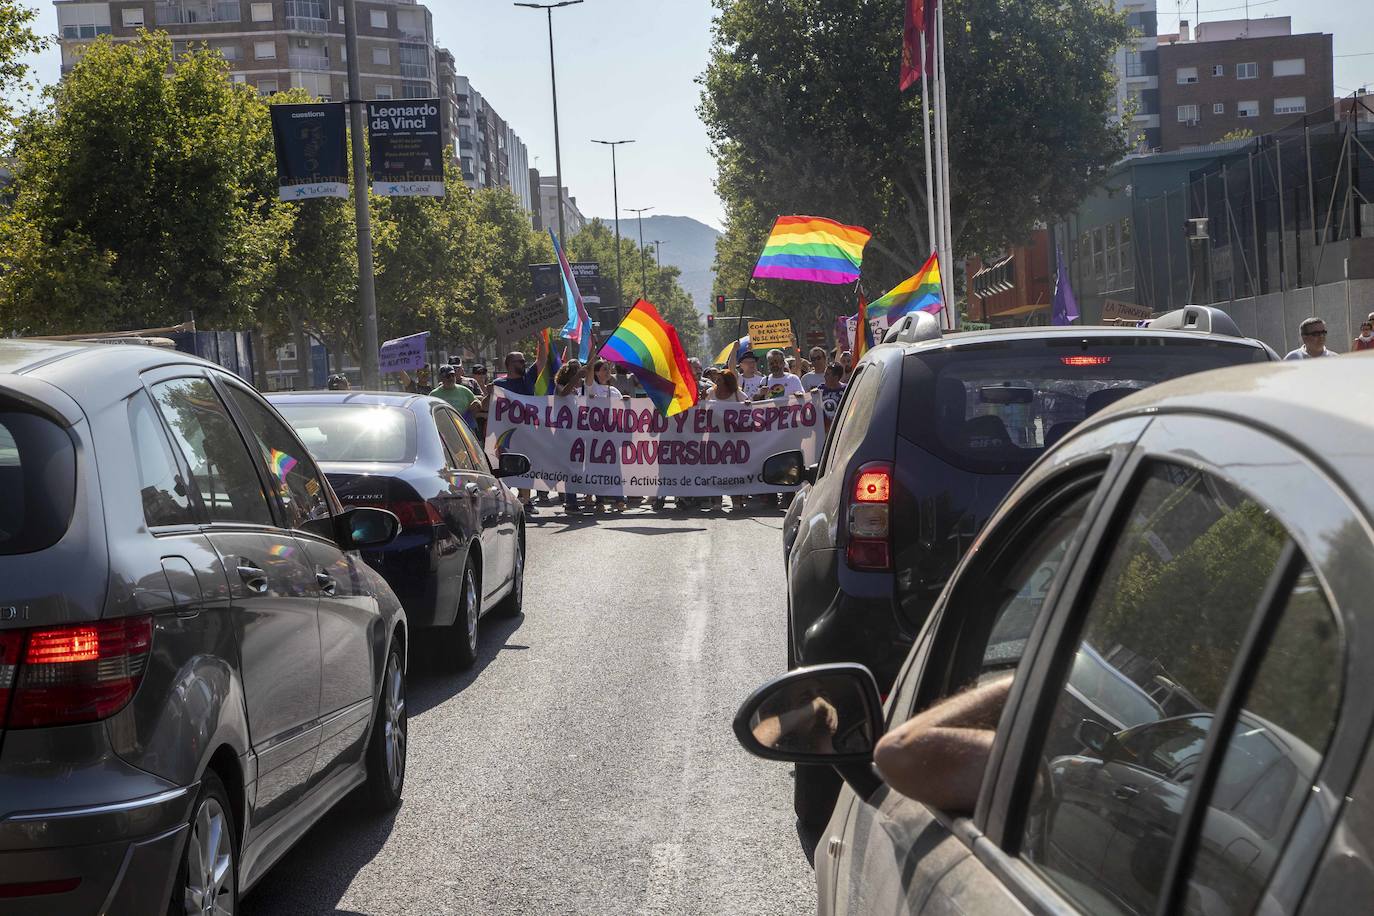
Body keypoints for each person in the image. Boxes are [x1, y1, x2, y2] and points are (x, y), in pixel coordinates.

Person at [873, 674, 1013, 814]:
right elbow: (897, 748)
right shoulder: (1020, 764)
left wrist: (1027, 679)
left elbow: (897, 746)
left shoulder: (1018, 764)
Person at [819, 363, 847, 429]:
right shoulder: (820, 389)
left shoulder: (846, 390)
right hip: (824, 430)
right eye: (825, 373)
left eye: (827, 374)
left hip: (839, 429)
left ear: (836, 377)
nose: (824, 376)